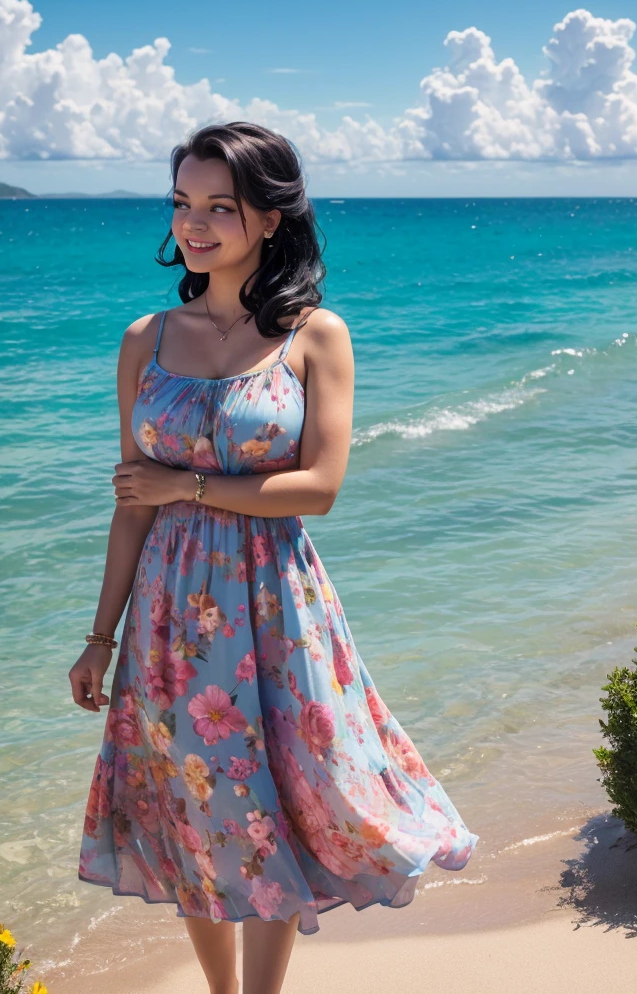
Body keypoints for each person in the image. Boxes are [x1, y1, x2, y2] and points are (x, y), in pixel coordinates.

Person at [68, 121, 479, 994]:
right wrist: (99, 637)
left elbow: (320, 486)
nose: (196, 223)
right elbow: (131, 502)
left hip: (274, 609)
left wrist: (187, 488)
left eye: (221, 205)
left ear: (271, 216)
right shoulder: (145, 338)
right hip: (168, 614)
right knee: (190, 807)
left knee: (270, 810)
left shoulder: (314, 336)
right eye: (183, 203)